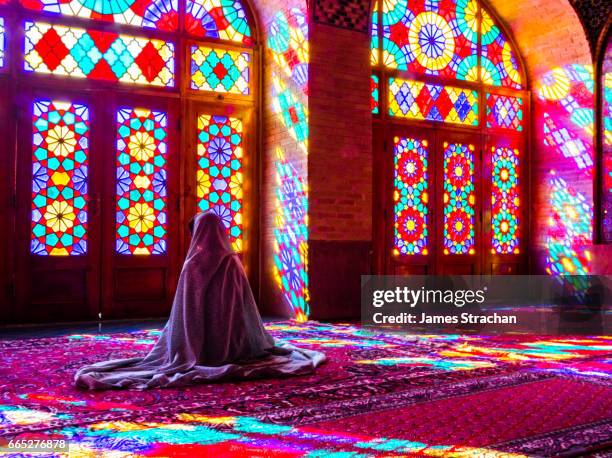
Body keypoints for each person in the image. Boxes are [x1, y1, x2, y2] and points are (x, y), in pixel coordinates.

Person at [75, 212, 325, 390]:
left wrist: (191, 345)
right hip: (236, 344)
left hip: (200, 348)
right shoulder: (232, 260)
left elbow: (186, 314)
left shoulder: (195, 264)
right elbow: (243, 312)